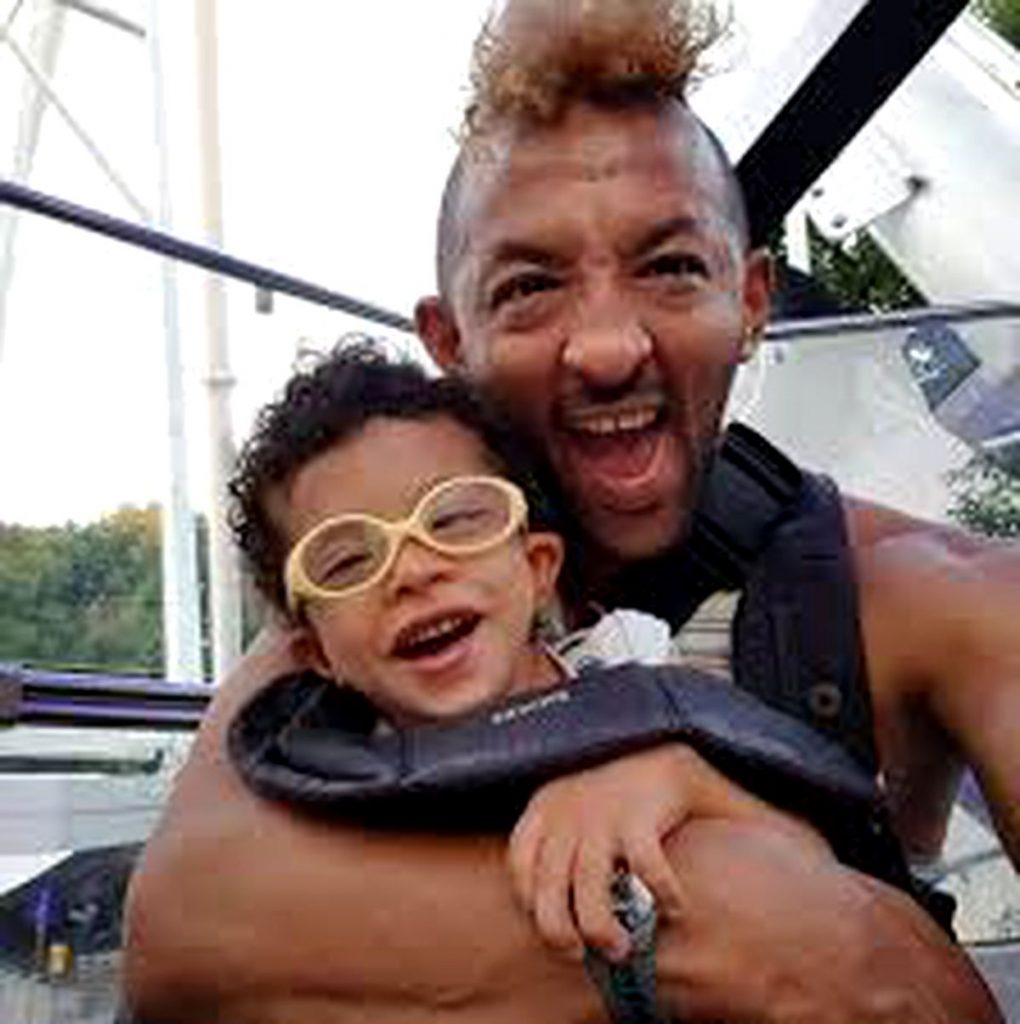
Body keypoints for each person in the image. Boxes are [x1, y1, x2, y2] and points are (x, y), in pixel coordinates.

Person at [124, 1, 1017, 1020]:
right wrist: (740, 911)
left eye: (671, 267)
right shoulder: (378, 606)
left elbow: (217, 927)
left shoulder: (942, 601)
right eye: (529, 287)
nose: (606, 347)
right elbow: (177, 932)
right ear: (449, 339)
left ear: (751, 301)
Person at [222, 342, 834, 973]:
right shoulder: (330, 797)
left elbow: (821, 866)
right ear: (318, 654)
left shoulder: (638, 667)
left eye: (455, 520)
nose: (412, 571)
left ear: (539, 568)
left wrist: (681, 780)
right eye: (348, 560)